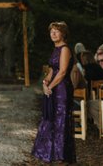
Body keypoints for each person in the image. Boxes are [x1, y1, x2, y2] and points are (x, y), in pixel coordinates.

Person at [31, 21, 76, 164]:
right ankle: (47, 153)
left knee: (61, 119)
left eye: (56, 31)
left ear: (63, 33)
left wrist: (50, 86)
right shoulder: (55, 49)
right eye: (51, 31)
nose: (53, 34)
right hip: (53, 86)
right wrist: (45, 83)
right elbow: (51, 70)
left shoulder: (65, 49)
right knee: (49, 117)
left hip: (62, 89)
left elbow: (62, 72)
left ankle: (61, 155)